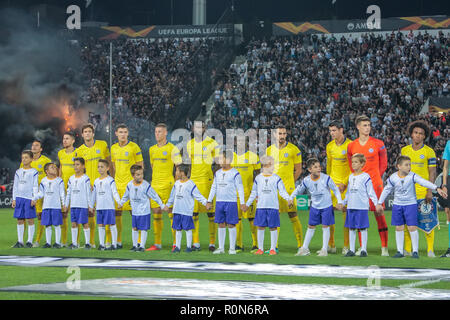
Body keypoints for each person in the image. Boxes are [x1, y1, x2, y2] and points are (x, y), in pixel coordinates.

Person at [376, 155, 447, 259]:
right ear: (398, 166)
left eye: (410, 165)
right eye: (406, 165)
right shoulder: (393, 177)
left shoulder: (412, 176)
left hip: (410, 204)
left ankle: (415, 252)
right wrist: (379, 202)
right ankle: (400, 251)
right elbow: (387, 189)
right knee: (399, 227)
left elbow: (423, 182)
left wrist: (436, 188)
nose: (409, 167)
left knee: (412, 227)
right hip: (397, 205)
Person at [347, 115, 389, 256]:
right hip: (359, 189)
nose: (367, 128)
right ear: (358, 127)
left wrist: (375, 178)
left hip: (376, 185)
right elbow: (351, 164)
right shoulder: (352, 145)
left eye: (369, 125)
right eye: (364, 125)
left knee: (379, 215)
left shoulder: (378, 143)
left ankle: (384, 247)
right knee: (359, 217)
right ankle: (361, 248)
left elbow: (383, 164)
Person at [291, 158, 344, 257]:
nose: (319, 168)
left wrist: (340, 201)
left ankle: (324, 250)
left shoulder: (326, 178)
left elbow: (336, 189)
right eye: (315, 167)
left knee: (325, 227)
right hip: (315, 207)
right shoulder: (306, 180)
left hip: (326, 206)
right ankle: (305, 249)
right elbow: (298, 190)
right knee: (311, 226)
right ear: (309, 170)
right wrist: (291, 198)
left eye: (319, 166)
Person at [401, 121, 438, 257]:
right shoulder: (404, 150)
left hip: (423, 191)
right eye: (415, 132)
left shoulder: (429, 152)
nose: (417, 135)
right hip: (407, 192)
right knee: (407, 222)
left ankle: (430, 250)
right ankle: (407, 249)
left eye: (421, 134)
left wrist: (429, 190)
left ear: (424, 136)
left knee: (427, 220)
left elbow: (432, 172)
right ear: (411, 134)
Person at [265, 125, 303, 252]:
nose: (282, 136)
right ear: (275, 135)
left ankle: (300, 245)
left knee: (293, 214)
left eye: (284, 134)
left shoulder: (293, 149)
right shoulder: (269, 150)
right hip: (273, 190)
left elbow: (298, 169)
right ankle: (274, 246)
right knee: (275, 216)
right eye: (279, 134)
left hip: (289, 189)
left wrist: (291, 182)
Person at [244, 155, 291, 255]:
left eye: (273, 164)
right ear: (265, 165)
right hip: (261, 206)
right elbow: (253, 193)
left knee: (273, 227)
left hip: (273, 207)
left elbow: (282, 191)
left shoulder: (276, 178)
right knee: (260, 227)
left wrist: (288, 199)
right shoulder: (258, 178)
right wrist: (247, 204)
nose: (273, 166)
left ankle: (272, 249)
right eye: (271, 164)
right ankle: (260, 249)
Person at [147, 123, 182, 251]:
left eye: (160, 132)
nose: (157, 134)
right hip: (155, 185)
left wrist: (177, 184)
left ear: (166, 133)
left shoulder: (173, 148)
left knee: (171, 213)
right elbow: (152, 166)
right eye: (156, 132)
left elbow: (178, 167)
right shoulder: (152, 149)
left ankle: (175, 243)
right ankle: (157, 244)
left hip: (168, 185)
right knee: (156, 212)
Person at [186, 121, 220, 251]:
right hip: (194, 183)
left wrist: (213, 176)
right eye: (196, 127)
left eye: (201, 127)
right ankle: (196, 243)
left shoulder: (212, 143)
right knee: (194, 214)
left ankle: (212, 243)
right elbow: (188, 164)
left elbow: (217, 163)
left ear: (205, 128)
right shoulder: (189, 144)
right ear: (193, 129)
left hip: (207, 182)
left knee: (210, 214)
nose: (199, 129)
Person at [75, 124, 110, 248]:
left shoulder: (102, 145)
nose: (88, 133)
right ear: (82, 134)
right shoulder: (79, 151)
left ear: (93, 133)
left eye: (90, 131)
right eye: (85, 132)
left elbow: (108, 162)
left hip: (102, 185)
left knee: (104, 213)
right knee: (89, 214)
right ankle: (90, 242)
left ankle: (107, 241)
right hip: (87, 187)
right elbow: (78, 169)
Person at [110, 123, 144, 249]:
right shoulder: (113, 148)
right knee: (117, 213)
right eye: (120, 132)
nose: (123, 134)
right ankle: (118, 241)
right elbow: (113, 167)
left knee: (134, 213)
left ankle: (139, 241)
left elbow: (140, 165)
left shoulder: (134, 147)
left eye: (125, 132)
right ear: (116, 134)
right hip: (118, 185)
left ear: (128, 133)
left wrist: (138, 182)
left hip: (131, 186)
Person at [206, 150, 246, 255]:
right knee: (221, 224)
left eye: (221, 158)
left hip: (231, 202)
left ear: (228, 159)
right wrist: (209, 200)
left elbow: (240, 188)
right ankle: (221, 248)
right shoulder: (218, 173)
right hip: (219, 202)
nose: (219, 160)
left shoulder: (235, 173)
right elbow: (213, 187)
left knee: (231, 224)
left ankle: (232, 248)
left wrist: (242, 203)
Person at [119, 165, 164, 252]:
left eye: (141, 174)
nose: (141, 176)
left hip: (144, 211)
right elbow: (126, 195)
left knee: (143, 228)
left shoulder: (146, 185)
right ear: (133, 175)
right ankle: (135, 246)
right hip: (135, 211)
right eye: (138, 174)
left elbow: (154, 196)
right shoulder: (129, 185)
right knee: (135, 228)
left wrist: (161, 205)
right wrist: (121, 203)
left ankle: (142, 246)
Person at [164, 164, 208, 253]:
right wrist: (168, 205)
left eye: (177, 171)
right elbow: (172, 196)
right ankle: (177, 247)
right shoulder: (176, 183)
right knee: (178, 229)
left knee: (188, 229)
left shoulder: (190, 184)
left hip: (186, 211)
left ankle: (188, 247)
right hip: (177, 210)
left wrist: (205, 202)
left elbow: (197, 195)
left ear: (182, 173)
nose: (175, 173)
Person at [342, 153, 379, 258]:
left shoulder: (365, 176)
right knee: (351, 228)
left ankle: (364, 250)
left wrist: (376, 204)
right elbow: (348, 192)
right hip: (351, 206)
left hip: (361, 206)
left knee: (362, 228)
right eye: (352, 162)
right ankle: (352, 250)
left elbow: (371, 191)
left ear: (362, 163)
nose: (353, 164)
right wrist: (344, 202)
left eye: (356, 162)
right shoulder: (350, 176)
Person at [326, 120, 352, 255]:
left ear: (341, 130)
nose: (332, 133)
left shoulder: (350, 145)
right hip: (332, 184)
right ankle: (331, 244)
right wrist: (327, 182)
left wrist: (345, 182)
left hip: (346, 185)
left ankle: (346, 245)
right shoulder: (329, 146)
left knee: (346, 216)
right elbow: (329, 166)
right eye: (330, 131)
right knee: (329, 214)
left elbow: (353, 167)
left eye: (334, 130)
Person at [20, 139, 52, 247]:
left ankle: (37, 240)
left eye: (37, 145)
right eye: (33, 145)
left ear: (41, 149)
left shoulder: (46, 160)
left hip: (41, 193)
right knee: (24, 217)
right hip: (27, 194)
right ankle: (22, 240)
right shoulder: (25, 161)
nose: (34, 147)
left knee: (40, 216)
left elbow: (51, 175)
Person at [232, 142, 261, 252]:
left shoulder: (253, 156)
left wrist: (255, 190)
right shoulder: (231, 157)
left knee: (252, 220)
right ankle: (239, 245)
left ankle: (256, 244)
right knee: (237, 220)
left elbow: (258, 174)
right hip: (235, 195)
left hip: (249, 194)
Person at [90, 159, 122, 251]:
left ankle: (114, 244)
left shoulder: (110, 180)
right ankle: (101, 244)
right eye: (98, 167)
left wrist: (119, 202)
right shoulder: (96, 181)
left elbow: (114, 192)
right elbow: (94, 194)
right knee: (100, 225)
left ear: (107, 168)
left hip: (109, 206)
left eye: (102, 167)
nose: (100, 169)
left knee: (112, 224)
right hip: (99, 207)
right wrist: (91, 205)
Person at [33, 163, 65, 249]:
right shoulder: (43, 181)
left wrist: (64, 204)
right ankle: (48, 242)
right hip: (46, 206)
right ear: (47, 171)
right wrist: (34, 198)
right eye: (52, 167)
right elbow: (41, 193)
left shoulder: (59, 180)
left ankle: (57, 242)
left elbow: (62, 193)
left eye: (55, 167)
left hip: (56, 206)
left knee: (57, 224)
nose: (55, 168)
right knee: (47, 225)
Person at [63, 157, 93, 249]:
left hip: (82, 205)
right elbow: (68, 193)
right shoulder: (71, 178)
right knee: (73, 224)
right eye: (74, 165)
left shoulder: (85, 179)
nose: (75, 167)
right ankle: (75, 243)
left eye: (78, 164)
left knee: (85, 223)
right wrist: (66, 204)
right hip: (73, 205)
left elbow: (89, 193)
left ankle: (88, 243)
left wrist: (90, 205)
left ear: (83, 166)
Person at [12, 150, 38, 248]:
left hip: (28, 198)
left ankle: (29, 241)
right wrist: (14, 199)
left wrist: (34, 198)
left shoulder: (34, 172)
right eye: (23, 157)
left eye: (26, 157)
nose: (24, 159)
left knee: (30, 219)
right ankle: (20, 241)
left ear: (31, 159)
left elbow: (35, 186)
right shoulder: (18, 172)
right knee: (19, 219)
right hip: (19, 198)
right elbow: (15, 186)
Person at [58, 131, 76, 247]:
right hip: (63, 187)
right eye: (64, 138)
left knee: (74, 215)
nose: (65, 141)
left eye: (67, 139)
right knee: (63, 213)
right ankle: (63, 242)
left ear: (73, 140)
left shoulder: (78, 152)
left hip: (75, 187)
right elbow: (60, 168)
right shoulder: (60, 153)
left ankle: (76, 242)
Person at [440, 139, 450, 258]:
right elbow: (445, 167)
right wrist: (444, 185)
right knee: (448, 212)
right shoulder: (449, 143)